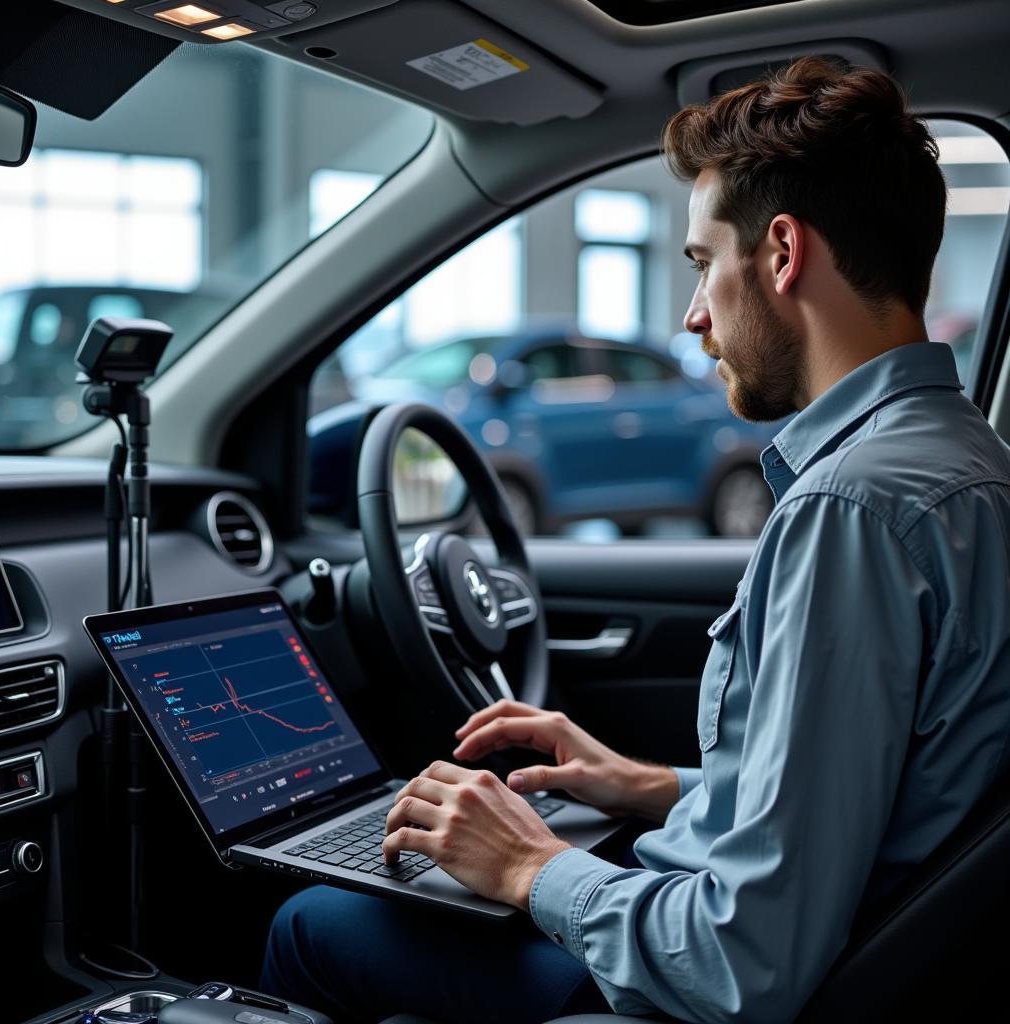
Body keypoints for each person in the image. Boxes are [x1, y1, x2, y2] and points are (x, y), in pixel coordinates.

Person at [261, 56, 1010, 1023]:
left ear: (782, 254)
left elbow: (746, 964)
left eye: (703, 264)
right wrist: (650, 786)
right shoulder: (964, 464)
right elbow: (862, 799)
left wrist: (531, 865)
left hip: (702, 992)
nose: (693, 317)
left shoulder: (854, 513)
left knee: (311, 925)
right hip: (826, 946)